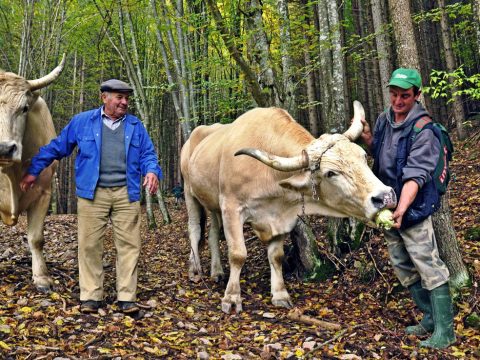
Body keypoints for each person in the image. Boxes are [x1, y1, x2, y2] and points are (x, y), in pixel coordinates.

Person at [20, 79, 162, 316]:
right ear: (104, 97)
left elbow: (148, 154)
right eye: (119, 97)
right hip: (91, 194)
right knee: (89, 245)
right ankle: (91, 296)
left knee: (129, 246)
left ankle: (127, 298)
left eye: (127, 98)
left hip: (126, 194)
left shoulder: (136, 126)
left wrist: (151, 171)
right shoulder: (83, 122)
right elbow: (57, 147)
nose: (124, 102)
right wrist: (34, 170)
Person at [359, 68, 456, 349]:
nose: (398, 101)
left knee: (428, 263)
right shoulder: (384, 119)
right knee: (402, 263)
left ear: (416, 95)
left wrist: (402, 210)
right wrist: (368, 139)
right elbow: (381, 152)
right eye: (394, 94)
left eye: (405, 95)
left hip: (412, 207)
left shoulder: (424, 130)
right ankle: (428, 317)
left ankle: (445, 331)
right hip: (388, 204)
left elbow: (416, 175)